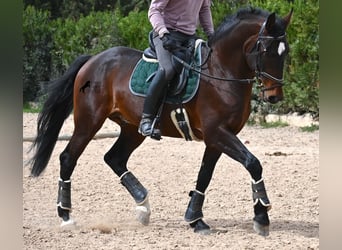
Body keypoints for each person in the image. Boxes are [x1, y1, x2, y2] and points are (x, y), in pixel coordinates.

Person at [138, 0, 214, 138]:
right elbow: (154, 10)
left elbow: (204, 10)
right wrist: (163, 33)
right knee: (167, 70)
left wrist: (211, 34)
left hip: (189, 37)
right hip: (165, 35)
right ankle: (146, 119)